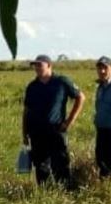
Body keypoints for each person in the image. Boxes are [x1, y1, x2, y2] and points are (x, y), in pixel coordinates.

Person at [23, 54, 85, 186]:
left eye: (40, 65)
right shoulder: (32, 86)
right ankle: (44, 193)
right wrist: (24, 132)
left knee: (60, 164)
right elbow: (26, 111)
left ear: (49, 65)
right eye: (35, 65)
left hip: (56, 130)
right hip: (36, 132)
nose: (37, 68)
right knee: (40, 166)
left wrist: (69, 121)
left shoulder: (61, 82)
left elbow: (80, 97)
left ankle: (65, 193)